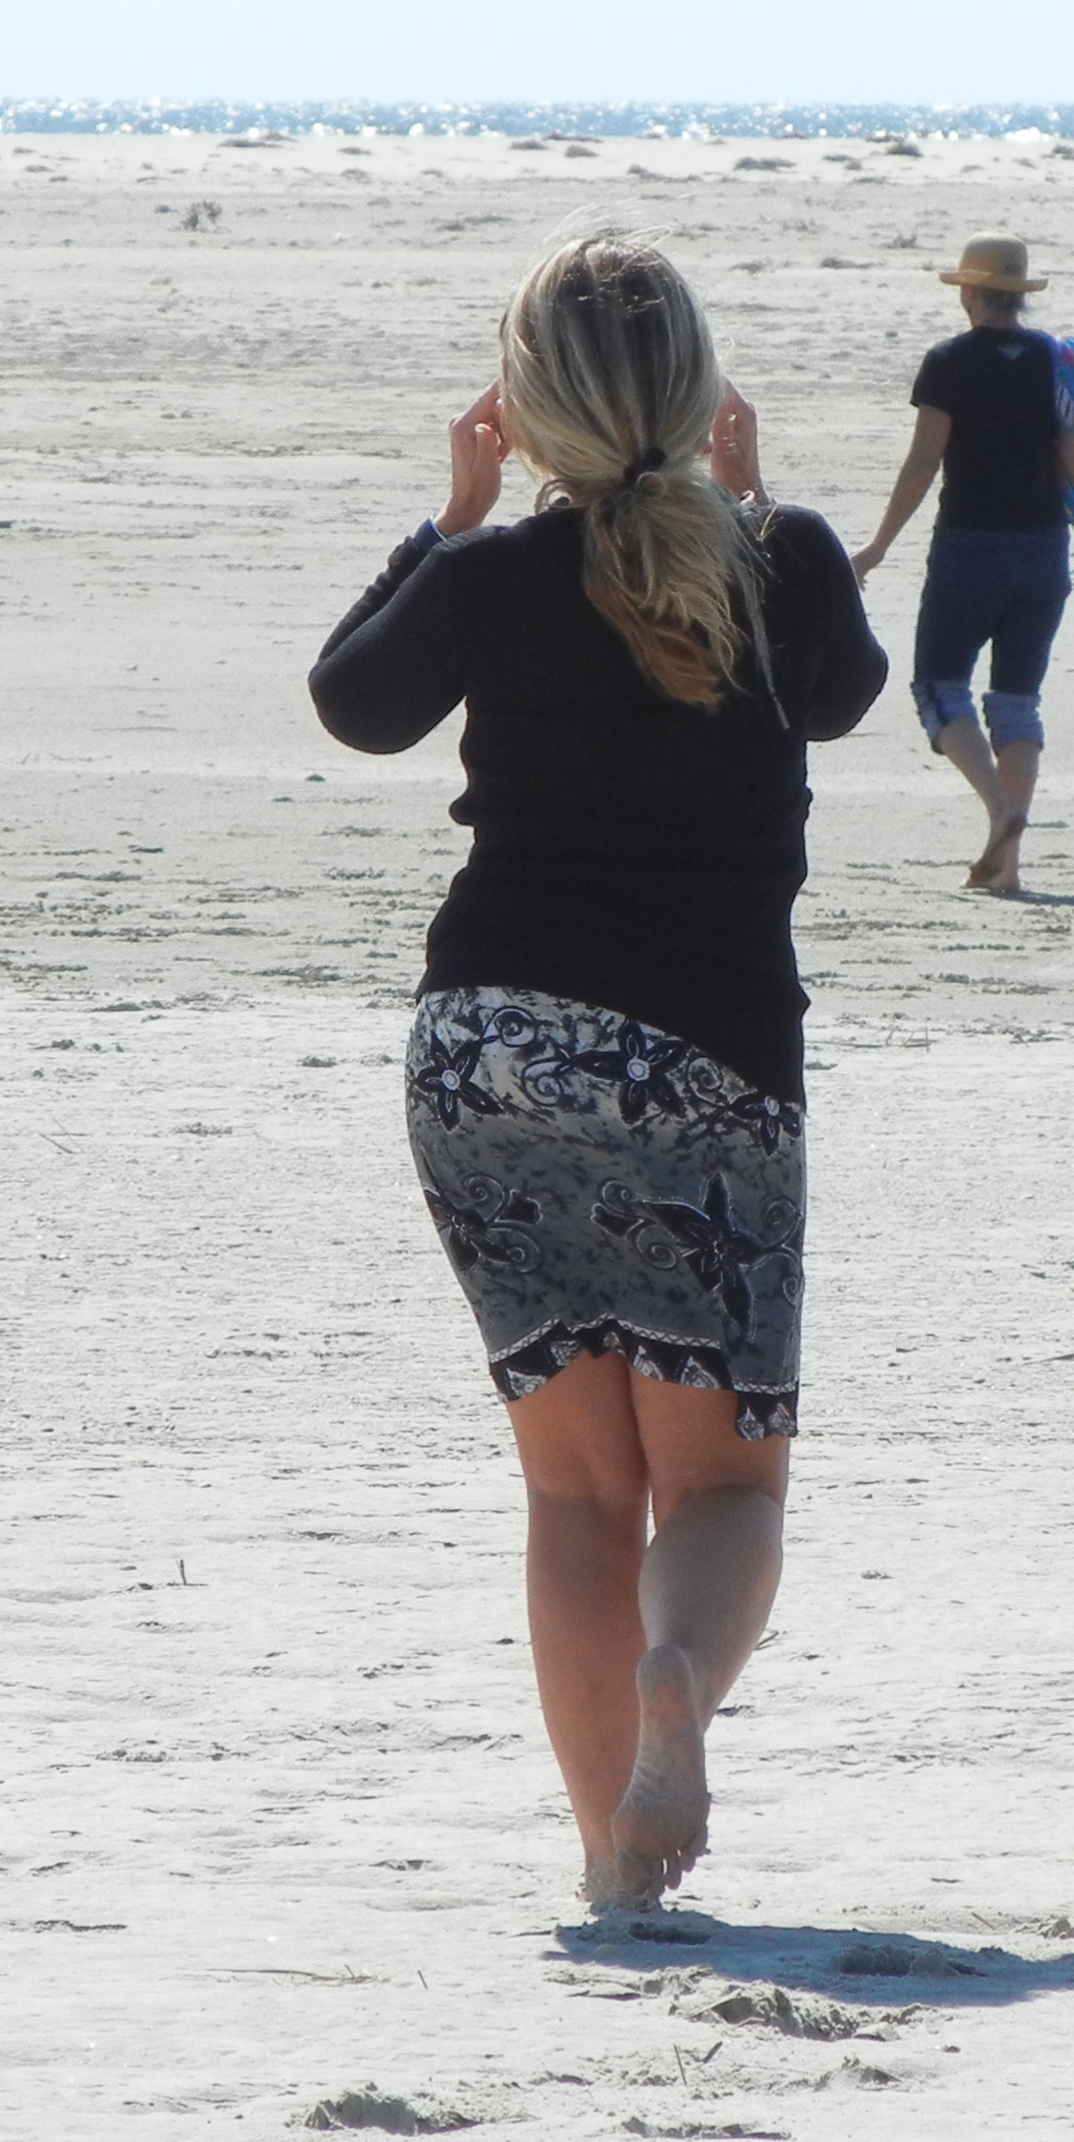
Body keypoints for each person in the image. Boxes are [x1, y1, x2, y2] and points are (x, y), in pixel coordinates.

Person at [309, 235, 886, 1913]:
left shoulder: (492, 577)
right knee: (717, 1481)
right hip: (706, 1061)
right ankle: (679, 1687)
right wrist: (762, 499)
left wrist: (452, 517)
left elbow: (354, 701)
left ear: (527, 405)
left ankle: (611, 1863)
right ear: (704, 394)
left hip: (490, 1043)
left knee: (574, 1489)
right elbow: (846, 700)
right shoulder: (777, 558)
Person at [849, 234, 1074, 896]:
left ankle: (999, 809)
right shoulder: (1058, 360)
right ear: (1018, 295)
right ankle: (1006, 871)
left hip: (969, 548)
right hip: (1044, 550)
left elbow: (924, 462)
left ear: (968, 291)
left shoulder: (949, 363)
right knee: (1016, 700)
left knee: (939, 687)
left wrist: (876, 547)